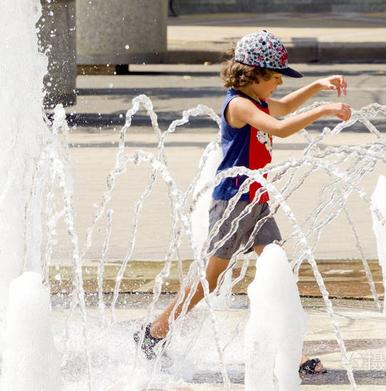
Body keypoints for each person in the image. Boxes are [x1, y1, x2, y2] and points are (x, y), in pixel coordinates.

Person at [134, 30, 351, 375]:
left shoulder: (257, 100)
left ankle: (288, 354)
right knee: (212, 279)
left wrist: (316, 87)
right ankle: (154, 332)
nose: (280, 82)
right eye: (276, 75)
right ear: (255, 74)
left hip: (257, 201)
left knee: (275, 270)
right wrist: (324, 108)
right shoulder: (238, 105)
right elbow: (279, 128)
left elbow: (286, 107)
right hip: (233, 202)